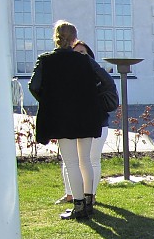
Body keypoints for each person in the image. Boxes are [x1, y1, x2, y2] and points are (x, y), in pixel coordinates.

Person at [29, 21, 105, 220]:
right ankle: (88, 202)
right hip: (86, 115)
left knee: (71, 162)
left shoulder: (45, 60)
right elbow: (105, 80)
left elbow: (34, 86)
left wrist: (50, 101)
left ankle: (79, 206)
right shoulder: (85, 60)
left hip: (62, 117)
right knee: (85, 160)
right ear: (74, 38)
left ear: (56, 37)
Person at [55, 40, 117, 213]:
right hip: (73, 124)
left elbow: (109, 87)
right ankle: (71, 194)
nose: (78, 56)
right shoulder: (65, 75)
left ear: (89, 56)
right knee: (70, 160)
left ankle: (90, 195)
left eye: (82, 53)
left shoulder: (97, 74)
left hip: (96, 123)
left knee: (91, 159)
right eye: (75, 53)